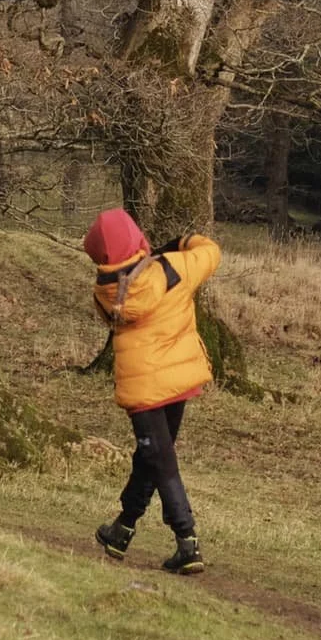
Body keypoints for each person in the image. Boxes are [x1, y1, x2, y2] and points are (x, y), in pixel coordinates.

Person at [83, 206, 221, 575]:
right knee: (158, 460)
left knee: (156, 458)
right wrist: (180, 242)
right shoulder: (173, 268)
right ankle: (184, 542)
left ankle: (125, 532)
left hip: (142, 389)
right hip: (177, 382)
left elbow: (126, 292)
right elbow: (211, 251)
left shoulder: (104, 292)